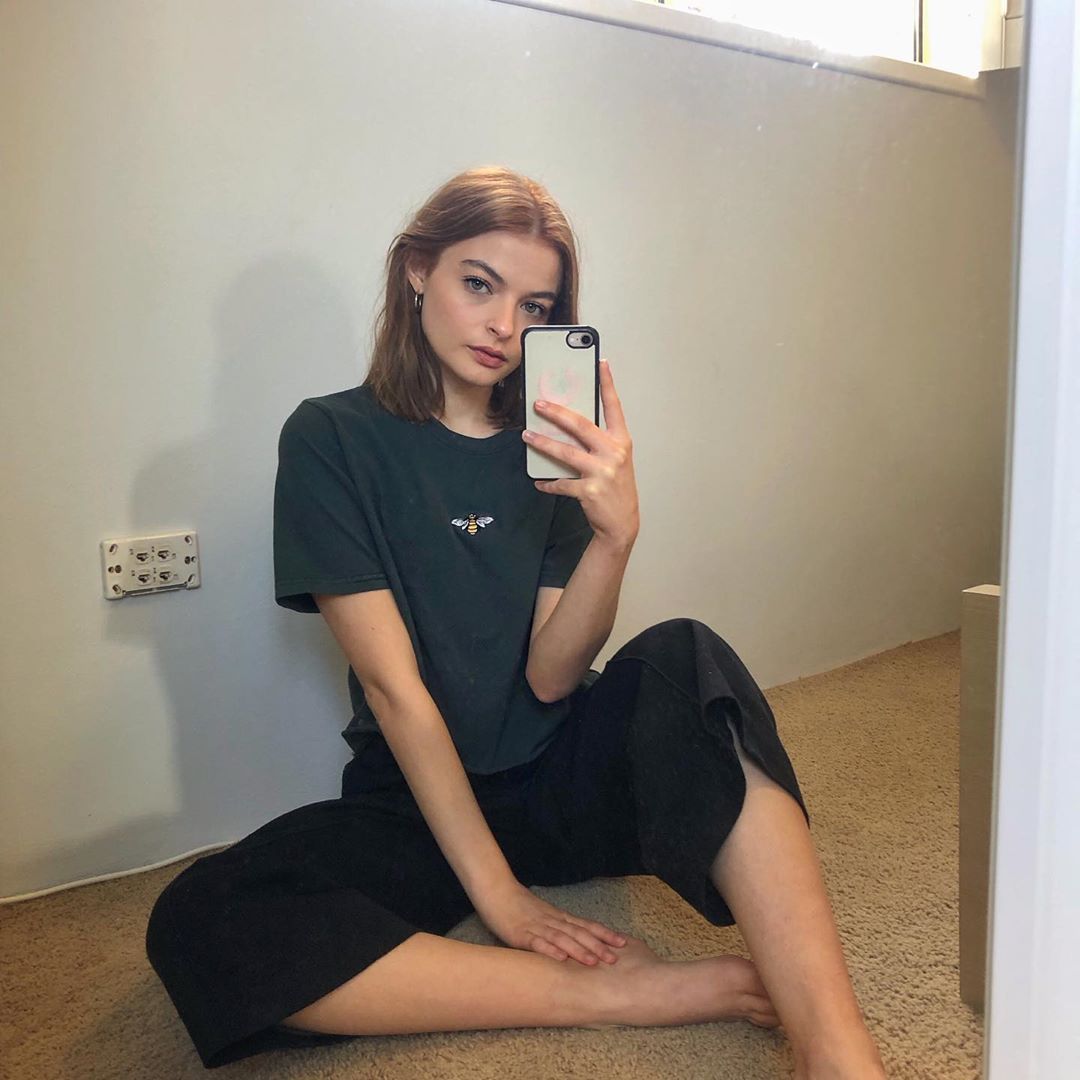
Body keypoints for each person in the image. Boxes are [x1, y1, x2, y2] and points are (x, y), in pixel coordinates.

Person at [146, 165, 886, 1078]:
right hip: (415, 800)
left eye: (534, 305)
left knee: (690, 657)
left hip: (559, 774)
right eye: (479, 284)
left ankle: (834, 1046)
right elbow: (395, 691)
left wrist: (615, 538)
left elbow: (549, 676)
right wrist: (501, 898)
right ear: (418, 269)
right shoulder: (330, 438)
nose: (505, 324)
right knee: (201, 918)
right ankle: (616, 995)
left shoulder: (554, 442)